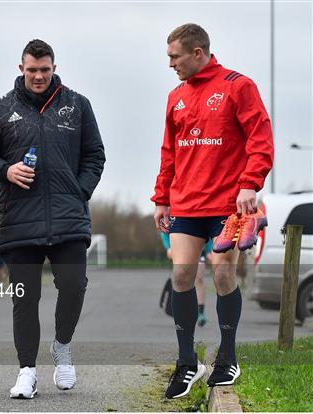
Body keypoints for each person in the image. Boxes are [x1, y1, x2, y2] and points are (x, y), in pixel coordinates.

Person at [152, 24, 273, 399]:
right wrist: (161, 198)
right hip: (186, 202)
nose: (169, 63)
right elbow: (169, 151)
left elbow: (260, 137)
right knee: (182, 276)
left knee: (222, 275)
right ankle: (188, 362)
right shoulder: (175, 97)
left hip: (227, 204)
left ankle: (228, 357)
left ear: (198, 52)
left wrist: (250, 183)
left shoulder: (239, 86)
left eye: (175, 56)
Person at [0, 39, 105, 398]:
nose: (38, 76)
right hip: (19, 218)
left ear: (54, 67)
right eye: (32, 70)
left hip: (69, 217)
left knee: (74, 285)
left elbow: (95, 154)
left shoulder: (78, 105)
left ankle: (62, 349)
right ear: (21, 68)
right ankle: (26, 371)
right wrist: (6, 170)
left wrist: (78, 191)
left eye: (44, 70)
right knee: (25, 297)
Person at [160, 232, 211, 326]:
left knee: (199, 278)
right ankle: (182, 311)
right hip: (180, 248)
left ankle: (200, 311)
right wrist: (168, 247)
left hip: (200, 248)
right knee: (182, 279)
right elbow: (165, 229)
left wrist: (209, 250)